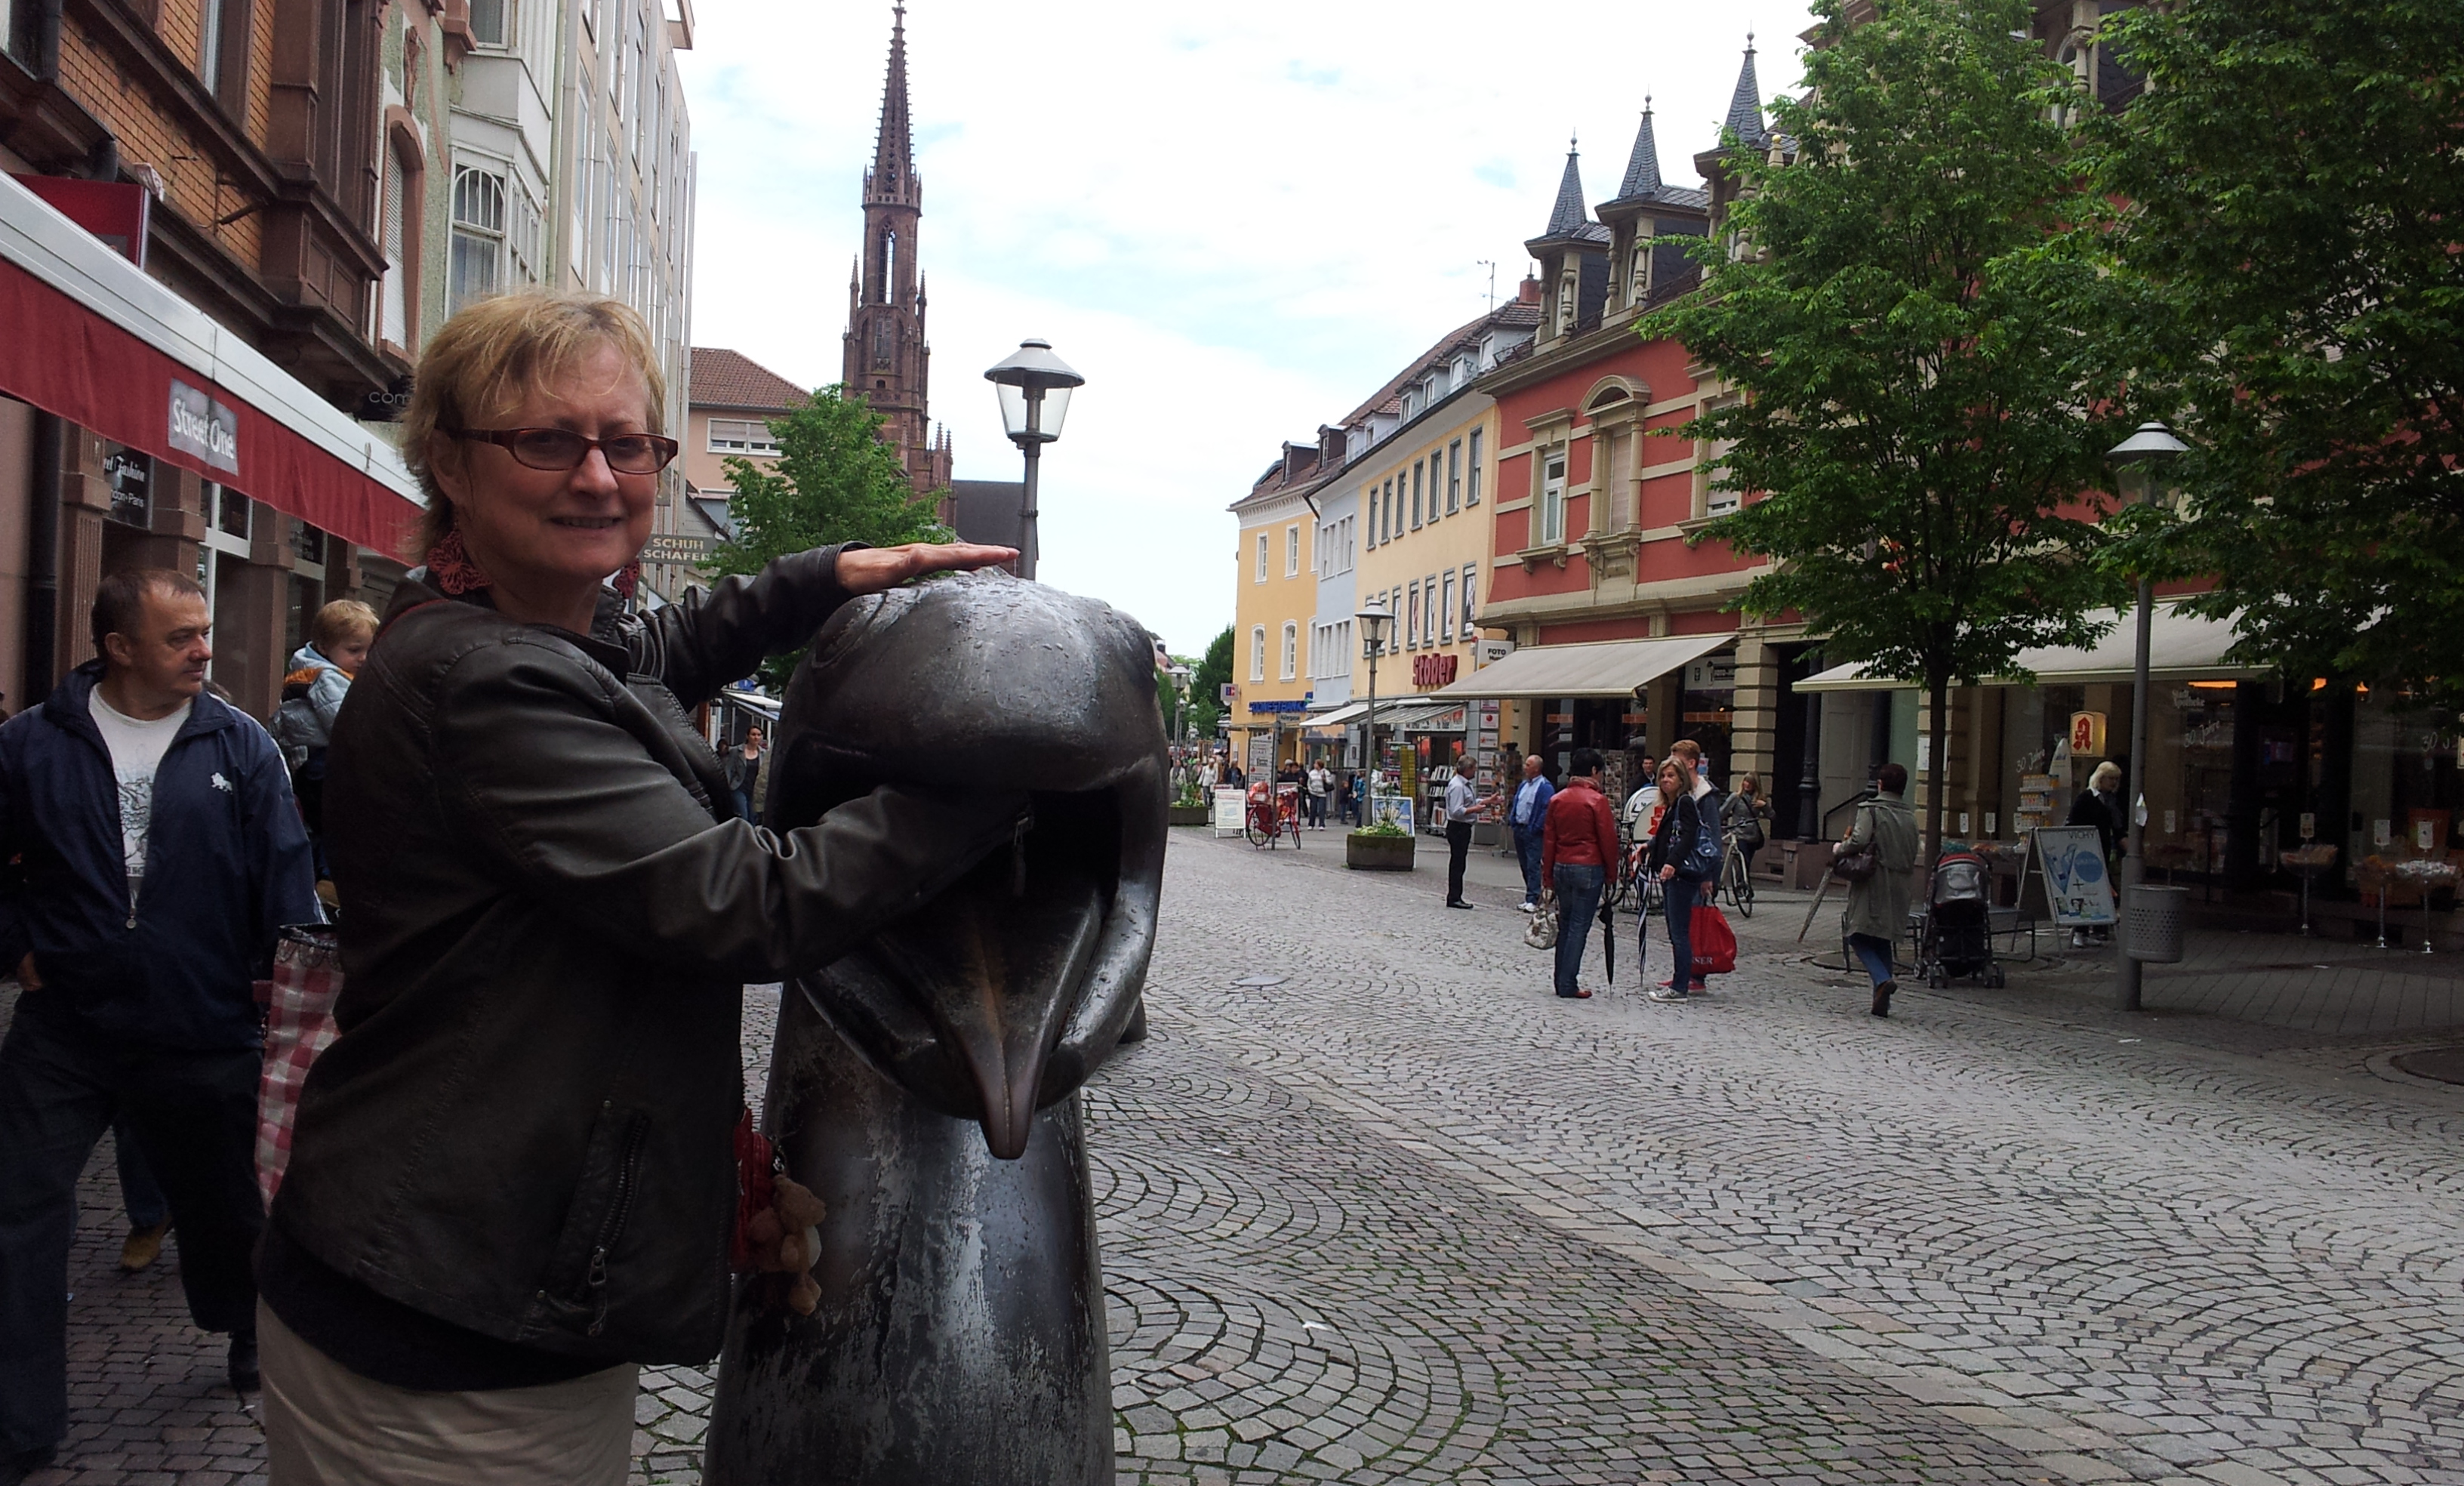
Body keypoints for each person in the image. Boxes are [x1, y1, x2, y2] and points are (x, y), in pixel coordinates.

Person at [253, 291, 1027, 1483]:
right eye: (545, 441)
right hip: (448, 1323)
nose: (597, 477)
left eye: (627, 444)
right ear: (450, 464)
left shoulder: (524, 624)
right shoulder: (486, 681)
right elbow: (749, 903)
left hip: (485, 1273)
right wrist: (998, 775)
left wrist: (824, 578)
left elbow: (655, 652)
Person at [0, 569, 322, 1479]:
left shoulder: (240, 742)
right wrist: (17, 947)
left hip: (201, 1021)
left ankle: (244, 1321)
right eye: (182, 636)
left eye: (206, 630)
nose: (204, 650)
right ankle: (20, 1424)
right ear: (119, 647)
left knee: (226, 1208)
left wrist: (284, 992)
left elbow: (284, 874)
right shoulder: (30, 744)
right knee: (16, 1211)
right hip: (68, 1026)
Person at [270, 600, 380, 884]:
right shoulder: (326, 677)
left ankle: (323, 875)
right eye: (354, 650)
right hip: (320, 761)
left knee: (324, 824)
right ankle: (330, 878)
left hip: (314, 759)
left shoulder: (327, 672)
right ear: (323, 647)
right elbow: (344, 722)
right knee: (340, 819)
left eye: (369, 650)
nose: (363, 658)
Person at [1843, 762, 1920, 1016]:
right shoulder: (1910, 816)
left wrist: (1840, 848)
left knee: (1856, 934)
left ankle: (1882, 979)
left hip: (1874, 883)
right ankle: (1882, 1002)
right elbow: (1913, 850)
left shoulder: (1871, 809)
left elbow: (1859, 840)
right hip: (1901, 886)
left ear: (1880, 785)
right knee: (1883, 938)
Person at [1539, 748, 1617, 998]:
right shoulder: (1597, 801)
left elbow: (1549, 840)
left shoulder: (1558, 799)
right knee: (1579, 926)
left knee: (1566, 923)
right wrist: (1612, 873)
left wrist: (1548, 875)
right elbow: (1608, 840)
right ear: (1594, 771)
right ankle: (1568, 983)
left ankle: (1560, 979)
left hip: (1562, 865)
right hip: (1589, 867)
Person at [1642, 756, 1717, 1000]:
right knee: (1677, 932)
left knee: (1679, 933)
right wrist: (1649, 846)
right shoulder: (1674, 803)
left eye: (1671, 776)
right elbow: (1668, 835)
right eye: (1663, 776)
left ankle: (1679, 987)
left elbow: (1687, 837)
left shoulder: (1685, 802)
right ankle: (1680, 982)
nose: (1665, 780)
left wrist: (1672, 863)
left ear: (1681, 779)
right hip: (1675, 874)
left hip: (1681, 875)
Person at [2067, 760, 2126, 947]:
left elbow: (2117, 827)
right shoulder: (2086, 798)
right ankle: (2081, 931)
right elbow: (2072, 822)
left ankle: (2096, 928)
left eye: (2116, 780)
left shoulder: (2111, 800)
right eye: (2111, 779)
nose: (2114, 783)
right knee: (2087, 891)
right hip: (2085, 851)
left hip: (2103, 850)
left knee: (2099, 890)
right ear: (2100, 778)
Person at [1440, 768, 1495, 909]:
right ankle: (1454, 897)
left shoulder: (1464, 784)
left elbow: (1470, 802)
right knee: (1457, 863)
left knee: (1459, 862)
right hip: (1458, 827)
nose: (1475, 772)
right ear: (1467, 770)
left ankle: (1456, 896)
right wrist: (1475, 810)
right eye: (1473, 769)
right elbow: (1457, 811)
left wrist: (1487, 801)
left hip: (1462, 827)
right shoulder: (1458, 786)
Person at [1508, 753, 1555, 912]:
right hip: (1520, 829)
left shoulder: (1545, 787)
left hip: (1532, 832)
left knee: (1533, 865)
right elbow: (1517, 803)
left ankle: (1533, 898)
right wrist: (1513, 820)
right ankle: (1530, 895)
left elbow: (1546, 810)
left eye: (1528, 765)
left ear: (1536, 769)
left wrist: (1535, 828)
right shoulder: (1524, 785)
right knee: (1524, 865)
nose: (1525, 768)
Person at [1723, 772, 1769, 877]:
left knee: (1747, 864)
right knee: (1744, 860)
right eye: (1746, 781)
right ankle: (1742, 882)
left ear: (1755, 785)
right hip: (1740, 834)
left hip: (1753, 836)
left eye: (1750, 783)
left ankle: (1742, 882)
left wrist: (1765, 806)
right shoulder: (1736, 797)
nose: (1747, 784)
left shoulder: (1760, 799)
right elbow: (1722, 812)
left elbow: (1772, 816)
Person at [723, 723, 767, 823]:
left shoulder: (763, 753)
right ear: (747, 736)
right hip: (739, 788)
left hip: (755, 791)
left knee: (753, 818)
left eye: (759, 735)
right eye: (753, 734)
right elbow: (729, 769)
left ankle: (750, 833)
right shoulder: (736, 751)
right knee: (744, 816)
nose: (756, 737)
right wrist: (727, 786)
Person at [1305, 760, 1331, 829]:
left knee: (1322, 809)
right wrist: (1310, 789)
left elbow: (1330, 782)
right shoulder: (1312, 773)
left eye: (1316, 764)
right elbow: (1309, 782)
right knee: (1313, 809)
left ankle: (1322, 824)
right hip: (1313, 793)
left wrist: (1325, 779)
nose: (1314, 765)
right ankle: (1311, 824)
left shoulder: (1326, 772)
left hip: (1322, 793)